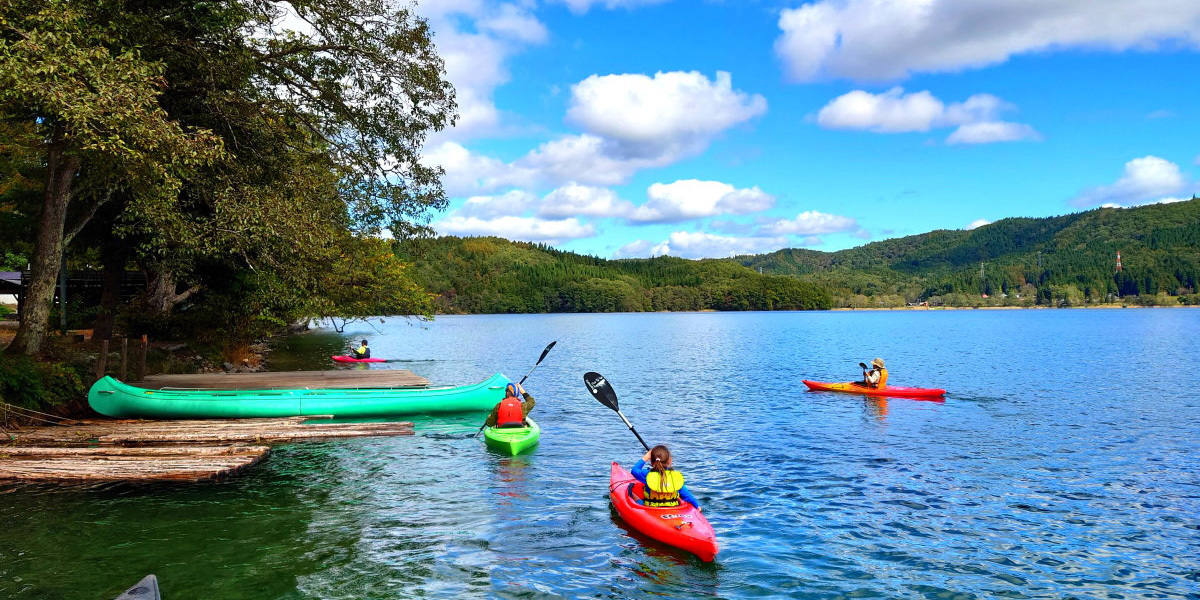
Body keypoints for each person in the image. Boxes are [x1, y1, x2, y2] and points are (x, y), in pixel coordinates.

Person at [630, 444, 701, 511]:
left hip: (650, 509)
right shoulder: (675, 477)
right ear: (670, 461)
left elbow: (634, 470)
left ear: (651, 462)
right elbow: (687, 495)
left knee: (630, 490)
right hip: (672, 509)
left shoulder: (647, 474)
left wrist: (645, 457)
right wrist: (697, 506)